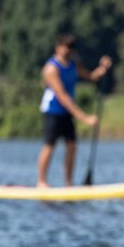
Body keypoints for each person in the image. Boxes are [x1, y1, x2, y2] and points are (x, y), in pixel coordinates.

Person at [36, 34, 112, 187]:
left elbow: (91, 76)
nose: (68, 50)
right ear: (58, 47)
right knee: (50, 145)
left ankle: (68, 183)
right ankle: (42, 182)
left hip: (66, 112)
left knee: (72, 145)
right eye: (65, 46)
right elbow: (62, 96)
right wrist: (85, 118)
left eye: (71, 47)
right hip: (52, 109)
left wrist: (103, 68)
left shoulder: (72, 65)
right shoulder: (51, 68)